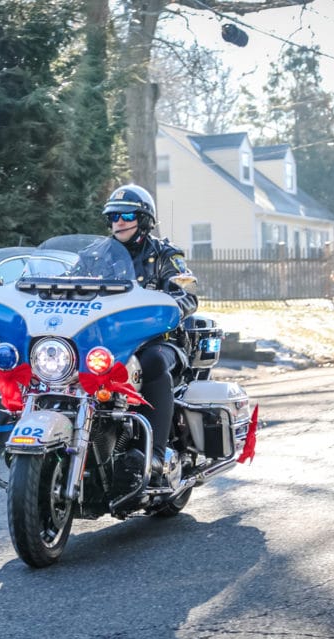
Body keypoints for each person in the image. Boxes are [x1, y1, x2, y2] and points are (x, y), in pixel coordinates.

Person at [101, 183, 198, 484]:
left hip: (158, 341)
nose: (118, 221)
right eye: (113, 216)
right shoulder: (95, 255)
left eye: (126, 214)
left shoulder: (166, 254)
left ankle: (154, 454)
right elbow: (67, 284)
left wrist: (172, 305)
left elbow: (188, 293)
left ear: (143, 220)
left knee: (153, 362)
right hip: (107, 341)